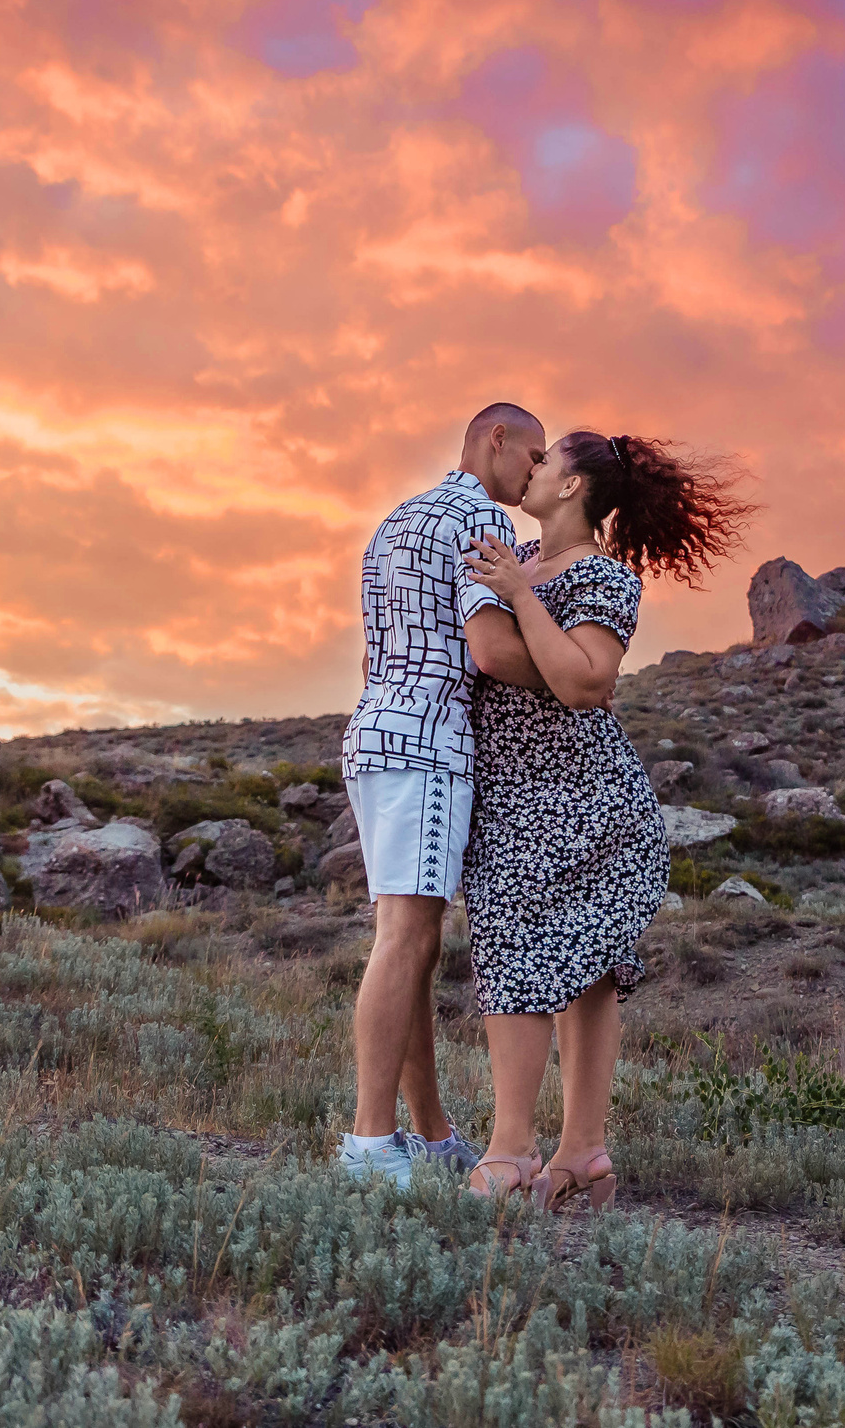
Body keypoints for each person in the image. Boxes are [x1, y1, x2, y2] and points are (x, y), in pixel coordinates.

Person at [457, 430, 754, 1210]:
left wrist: (522, 598)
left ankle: (512, 1148)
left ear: (571, 487)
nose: (532, 465)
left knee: (549, 959)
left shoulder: (602, 577)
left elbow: (587, 685)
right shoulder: (514, 553)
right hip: (517, 794)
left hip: (587, 803)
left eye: (547, 458)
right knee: (559, 963)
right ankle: (583, 1153)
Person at [335, 402, 546, 1187]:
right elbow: (489, 651)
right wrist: (572, 677)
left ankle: (427, 1133)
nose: (536, 472)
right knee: (407, 940)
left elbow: (369, 654)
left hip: (374, 733)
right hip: (429, 742)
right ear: (496, 439)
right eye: (533, 453)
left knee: (408, 939)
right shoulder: (480, 526)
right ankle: (368, 1144)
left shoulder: (393, 522)